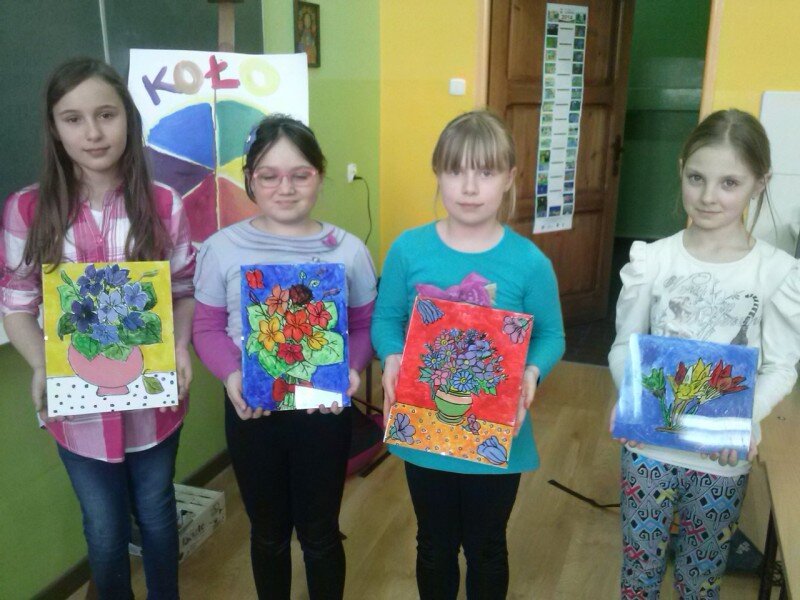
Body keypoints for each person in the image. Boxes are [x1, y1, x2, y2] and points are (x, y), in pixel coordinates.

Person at [0, 57, 196, 599]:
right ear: (54, 127)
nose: (92, 133)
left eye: (106, 115)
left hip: (154, 400)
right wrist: (40, 364)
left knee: (157, 515)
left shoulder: (163, 203)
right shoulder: (27, 209)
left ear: (127, 117)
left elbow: (182, 289)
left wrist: (180, 346)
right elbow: (16, 303)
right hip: (76, 405)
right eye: (73, 119)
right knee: (106, 532)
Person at [371, 110, 566, 599]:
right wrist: (391, 356)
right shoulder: (408, 249)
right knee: (433, 545)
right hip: (424, 430)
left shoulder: (529, 262)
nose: (470, 186)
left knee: (487, 547)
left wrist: (532, 372)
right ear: (438, 173)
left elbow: (552, 335)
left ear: (510, 178)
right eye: (456, 170)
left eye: (486, 171)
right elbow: (386, 320)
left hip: (498, 434)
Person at [608, 108, 800, 599]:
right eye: (697, 178)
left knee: (701, 579)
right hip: (648, 450)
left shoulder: (775, 273)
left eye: (729, 183)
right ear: (681, 171)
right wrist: (630, 397)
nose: (709, 196)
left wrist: (744, 419)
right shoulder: (653, 260)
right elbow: (625, 346)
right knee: (638, 577)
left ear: (760, 183)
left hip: (721, 456)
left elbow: (781, 368)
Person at [192, 114, 377, 600]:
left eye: (300, 174)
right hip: (252, 410)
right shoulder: (220, 249)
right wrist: (232, 376)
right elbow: (207, 327)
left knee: (321, 533)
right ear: (250, 179)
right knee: (268, 533)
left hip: (323, 412)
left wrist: (352, 369)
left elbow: (364, 326)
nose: (285, 188)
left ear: (320, 175)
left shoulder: (348, 250)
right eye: (269, 175)